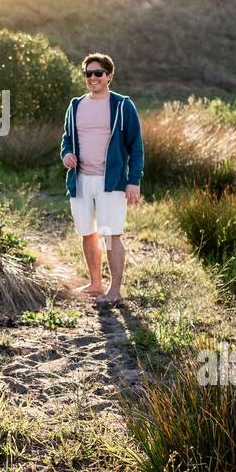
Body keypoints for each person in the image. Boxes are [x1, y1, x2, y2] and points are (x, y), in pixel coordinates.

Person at [59, 53, 143, 304]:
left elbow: (136, 146)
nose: (93, 78)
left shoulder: (122, 105)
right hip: (81, 180)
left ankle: (114, 291)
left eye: (98, 73)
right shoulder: (75, 105)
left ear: (109, 76)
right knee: (87, 233)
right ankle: (96, 283)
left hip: (111, 182)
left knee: (111, 234)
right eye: (88, 73)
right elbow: (67, 138)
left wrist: (134, 180)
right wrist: (66, 154)